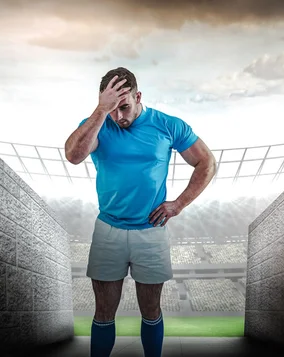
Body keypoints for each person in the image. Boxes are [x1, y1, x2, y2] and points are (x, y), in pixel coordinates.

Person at [64, 67, 217, 357]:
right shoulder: (98, 123)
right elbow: (73, 156)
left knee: (151, 309)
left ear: (138, 96)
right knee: (104, 311)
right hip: (108, 228)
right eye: (113, 109)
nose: (119, 117)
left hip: (151, 229)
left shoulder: (167, 125)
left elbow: (206, 162)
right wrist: (101, 110)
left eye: (124, 107)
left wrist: (179, 203)